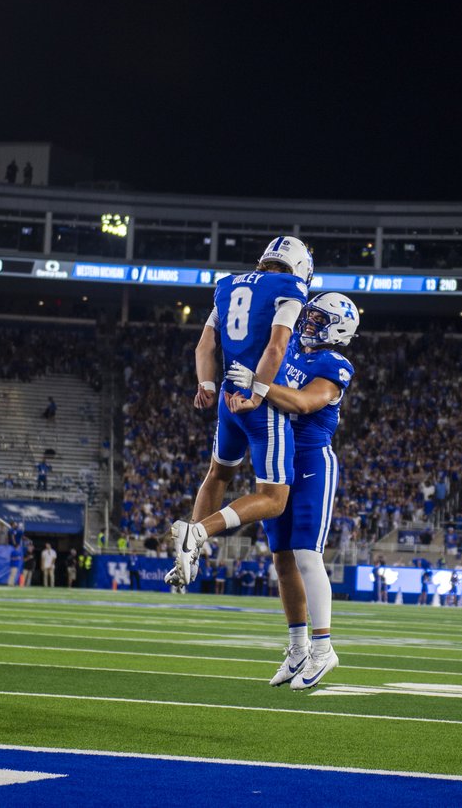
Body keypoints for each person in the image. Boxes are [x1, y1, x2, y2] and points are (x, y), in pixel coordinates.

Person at [227, 292, 358, 688]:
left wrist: (259, 386)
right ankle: (298, 648)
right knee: (282, 558)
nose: (310, 323)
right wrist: (248, 399)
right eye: (311, 315)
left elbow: (303, 403)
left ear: (339, 328)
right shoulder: (293, 352)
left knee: (306, 555)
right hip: (278, 458)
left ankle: (323, 649)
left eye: (320, 319)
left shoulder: (335, 363)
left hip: (311, 462)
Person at [166, 236, 312, 587]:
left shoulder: (228, 285)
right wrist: (260, 394)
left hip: (226, 399)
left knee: (218, 474)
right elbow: (276, 348)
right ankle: (197, 533)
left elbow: (204, 345)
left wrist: (206, 385)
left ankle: (190, 557)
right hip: (257, 403)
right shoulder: (289, 287)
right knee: (274, 499)